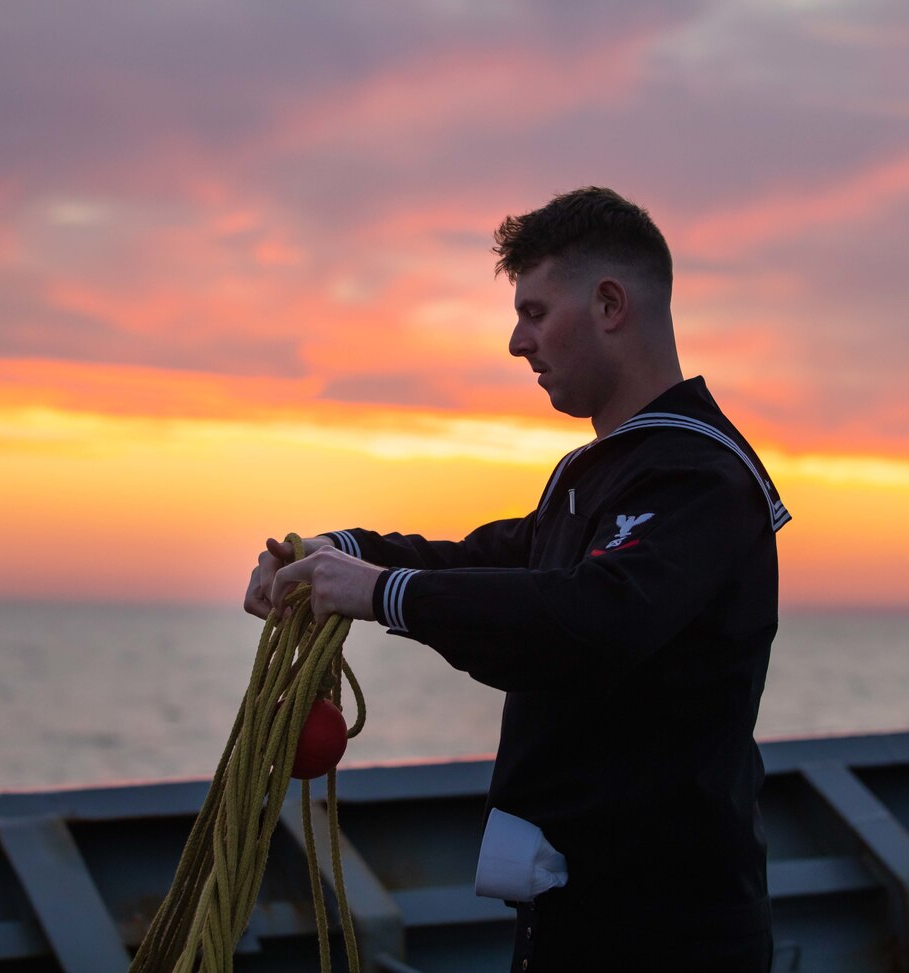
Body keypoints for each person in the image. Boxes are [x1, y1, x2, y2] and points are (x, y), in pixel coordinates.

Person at [245, 186, 788, 972]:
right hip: (573, 914)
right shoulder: (597, 473)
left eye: (534, 312)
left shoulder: (699, 476)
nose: (514, 341)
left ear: (609, 304)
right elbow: (492, 559)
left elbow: (593, 621)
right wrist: (341, 552)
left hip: (668, 933)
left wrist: (374, 592)